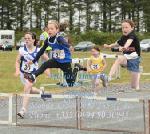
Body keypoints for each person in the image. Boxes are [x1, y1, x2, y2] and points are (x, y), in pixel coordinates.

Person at [24, 20, 84, 87]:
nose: (49, 30)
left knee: (71, 83)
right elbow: (41, 51)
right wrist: (33, 61)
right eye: (48, 29)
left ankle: (76, 68)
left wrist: (69, 46)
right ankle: (33, 76)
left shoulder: (59, 38)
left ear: (57, 30)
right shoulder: (48, 40)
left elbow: (64, 42)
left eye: (52, 29)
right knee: (45, 65)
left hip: (65, 62)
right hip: (56, 60)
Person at [14, 32, 49, 118]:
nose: (26, 40)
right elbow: (17, 61)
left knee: (27, 87)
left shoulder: (38, 50)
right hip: (23, 73)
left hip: (33, 74)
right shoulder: (22, 50)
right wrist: (17, 70)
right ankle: (41, 92)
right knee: (28, 89)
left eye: (29, 38)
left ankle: (23, 110)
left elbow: (47, 60)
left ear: (33, 40)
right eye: (25, 39)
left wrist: (46, 69)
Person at [104, 19, 141, 90]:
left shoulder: (132, 35)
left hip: (134, 60)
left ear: (132, 28)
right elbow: (116, 44)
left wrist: (125, 47)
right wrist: (108, 46)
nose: (124, 29)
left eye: (126, 27)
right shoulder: (123, 37)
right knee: (119, 58)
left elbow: (129, 42)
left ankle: (137, 76)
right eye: (123, 27)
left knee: (134, 86)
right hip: (126, 59)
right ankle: (109, 78)